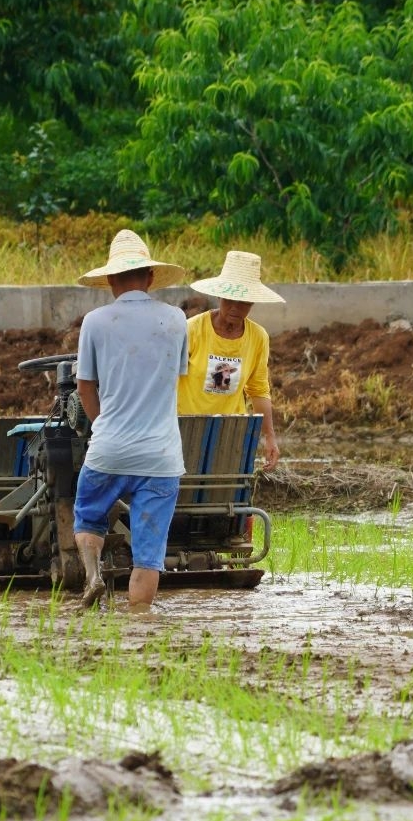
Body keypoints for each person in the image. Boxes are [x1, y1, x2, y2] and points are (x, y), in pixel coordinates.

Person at [73, 229, 188, 613]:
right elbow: (175, 378)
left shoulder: (94, 321)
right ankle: (139, 624)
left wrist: (101, 424)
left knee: (88, 517)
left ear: (109, 281)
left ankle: (92, 576)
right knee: (148, 554)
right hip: (161, 457)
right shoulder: (176, 320)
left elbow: (85, 385)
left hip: (109, 450)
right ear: (151, 277)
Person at [177, 250, 284, 471]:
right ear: (220, 296)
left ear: (252, 303)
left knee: (226, 495)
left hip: (230, 432)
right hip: (185, 427)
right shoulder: (192, 330)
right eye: (230, 299)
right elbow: (166, 379)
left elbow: (258, 390)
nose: (236, 307)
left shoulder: (257, 337)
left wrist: (269, 437)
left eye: (244, 301)